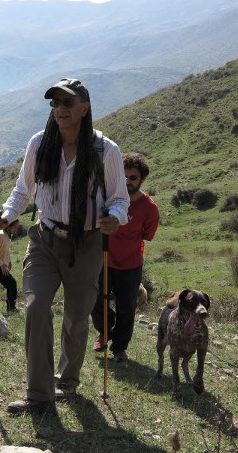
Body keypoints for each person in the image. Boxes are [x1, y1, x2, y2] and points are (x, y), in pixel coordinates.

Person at [0, 77, 129, 415]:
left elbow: (120, 198)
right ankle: (39, 394)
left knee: (77, 318)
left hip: (88, 241)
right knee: (36, 308)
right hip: (45, 238)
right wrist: (6, 216)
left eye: (67, 103)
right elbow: (22, 192)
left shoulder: (105, 150)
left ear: (84, 108)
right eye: (54, 103)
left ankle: (67, 382)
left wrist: (114, 216)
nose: (60, 109)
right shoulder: (39, 144)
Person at [91, 152, 160, 362]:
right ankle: (105, 331)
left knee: (126, 307)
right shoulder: (106, 198)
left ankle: (119, 347)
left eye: (133, 178)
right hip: (102, 260)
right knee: (95, 301)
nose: (128, 181)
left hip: (130, 265)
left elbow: (148, 235)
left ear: (142, 179)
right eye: (124, 177)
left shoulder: (149, 208)